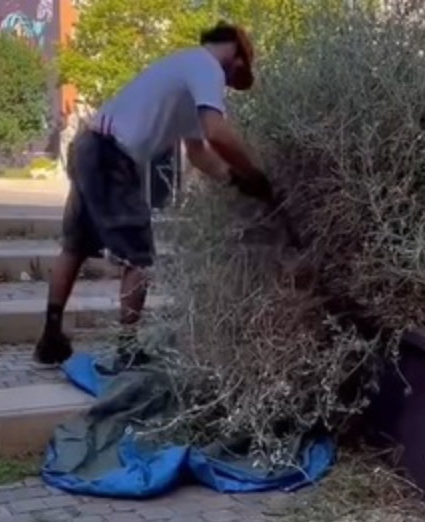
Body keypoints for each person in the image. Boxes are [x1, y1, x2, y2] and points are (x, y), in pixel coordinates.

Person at [34, 21, 276, 366]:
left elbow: (199, 152)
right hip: (111, 156)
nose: (232, 83)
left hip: (89, 146)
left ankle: (50, 339)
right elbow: (218, 134)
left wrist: (236, 182)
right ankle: (127, 348)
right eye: (240, 70)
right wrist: (254, 173)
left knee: (75, 245)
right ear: (235, 52)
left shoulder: (185, 68)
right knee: (140, 256)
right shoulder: (206, 66)